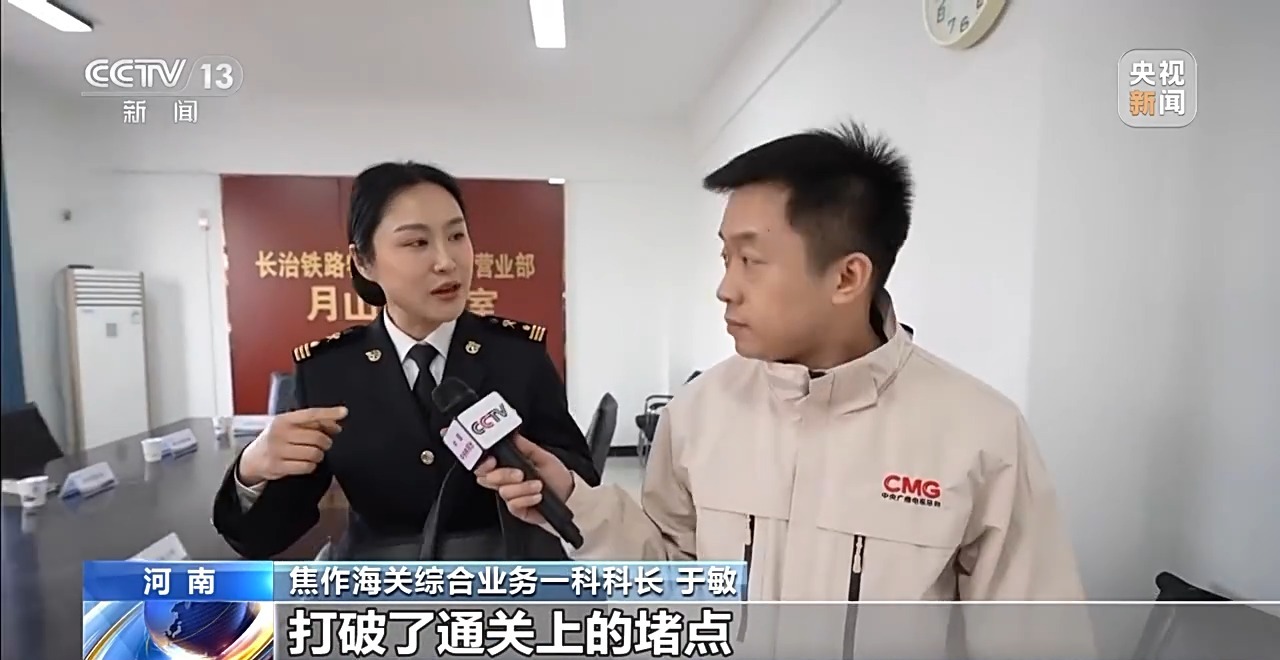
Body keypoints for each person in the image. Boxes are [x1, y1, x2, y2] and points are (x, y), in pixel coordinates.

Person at [477, 123, 1091, 654]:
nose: (726, 288)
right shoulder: (698, 414)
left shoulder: (979, 435)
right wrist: (575, 501)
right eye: (725, 258)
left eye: (751, 260)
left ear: (847, 277)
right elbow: (672, 584)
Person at [212, 161, 598, 560]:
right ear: (364, 261)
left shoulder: (517, 356)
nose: (446, 261)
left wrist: (552, 477)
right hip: (382, 581)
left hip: (500, 574)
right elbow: (265, 537)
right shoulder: (329, 372)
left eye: (457, 235)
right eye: (417, 242)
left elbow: (584, 480)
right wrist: (251, 470)